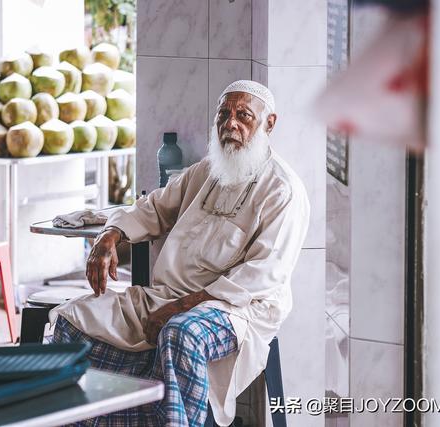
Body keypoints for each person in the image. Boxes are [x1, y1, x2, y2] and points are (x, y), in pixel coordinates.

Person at [50, 80, 310, 426]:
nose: (230, 124)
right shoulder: (206, 171)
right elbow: (153, 209)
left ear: (269, 124)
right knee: (73, 319)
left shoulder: (283, 190)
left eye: (243, 116)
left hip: (237, 309)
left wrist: (180, 307)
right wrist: (110, 235)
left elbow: (261, 277)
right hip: (167, 297)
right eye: (224, 115)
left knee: (180, 333)